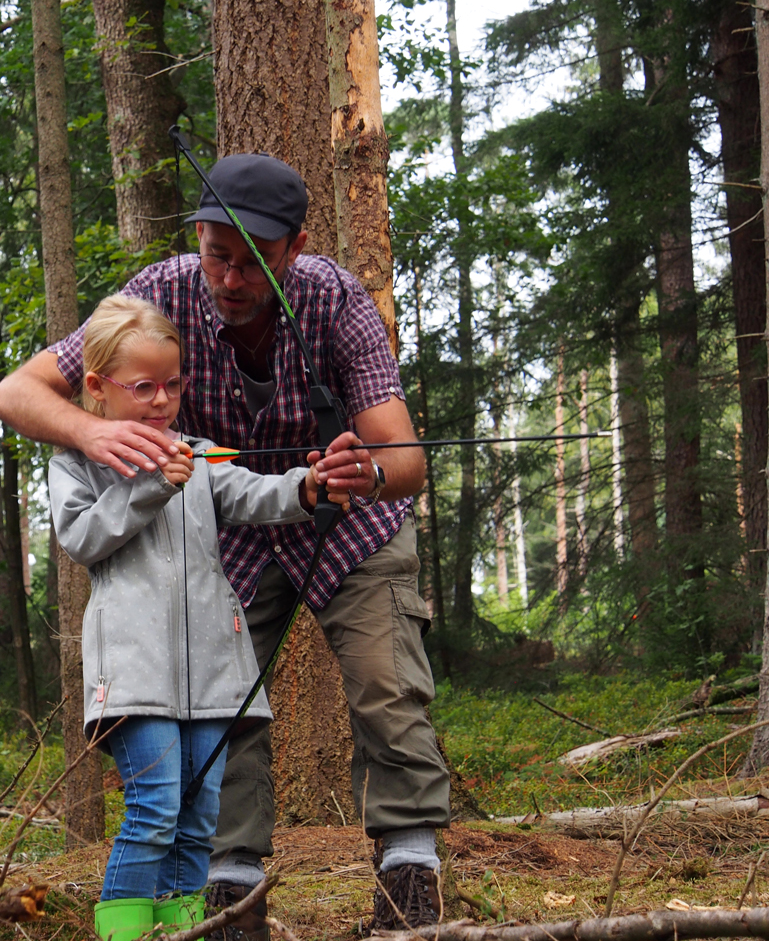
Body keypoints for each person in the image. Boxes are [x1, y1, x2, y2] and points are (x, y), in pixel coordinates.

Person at [0, 152, 451, 939]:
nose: (231, 279)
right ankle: (231, 894)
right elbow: (18, 390)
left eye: (254, 263)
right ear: (197, 239)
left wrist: (356, 473)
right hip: (213, 534)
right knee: (223, 707)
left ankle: (409, 873)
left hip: (345, 521)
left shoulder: (336, 300)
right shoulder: (154, 296)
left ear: (296, 247)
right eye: (217, 256)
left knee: (387, 685)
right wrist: (98, 432)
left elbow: (405, 461)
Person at [49, 295, 342, 941]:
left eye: (172, 385)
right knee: (153, 810)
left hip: (211, 677)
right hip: (134, 678)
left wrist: (306, 486)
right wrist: (154, 483)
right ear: (97, 387)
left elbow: (253, 493)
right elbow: (82, 537)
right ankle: (124, 931)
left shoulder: (198, 454)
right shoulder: (78, 460)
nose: (161, 401)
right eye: (143, 387)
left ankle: (179, 928)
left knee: (197, 815)